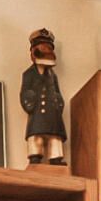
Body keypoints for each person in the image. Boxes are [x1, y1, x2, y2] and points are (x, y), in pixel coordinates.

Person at [21, 28, 67, 166]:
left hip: (52, 115)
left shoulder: (53, 76)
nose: (47, 51)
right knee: (36, 137)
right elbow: (25, 92)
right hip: (38, 113)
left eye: (49, 49)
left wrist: (59, 104)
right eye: (43, 48)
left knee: (55, 137)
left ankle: (55, 158)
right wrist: (30, 101)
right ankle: (35, 156)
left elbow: (57, 92)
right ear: (33, 52)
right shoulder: (29, 74)